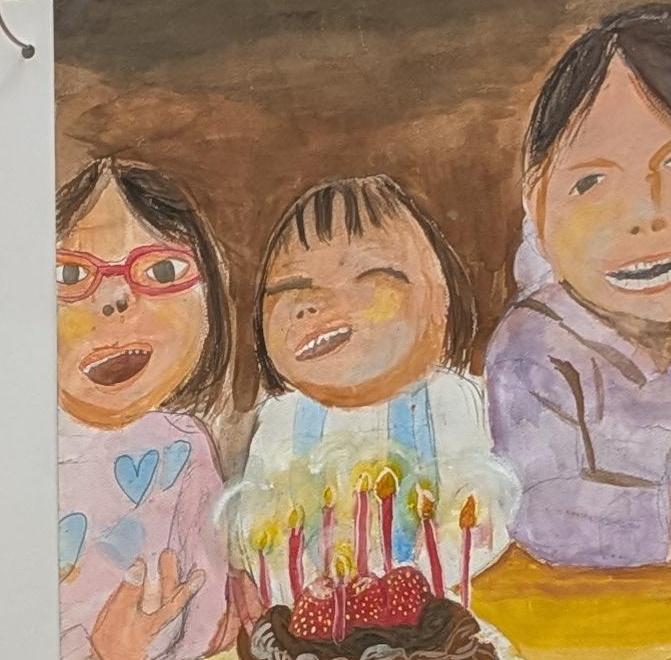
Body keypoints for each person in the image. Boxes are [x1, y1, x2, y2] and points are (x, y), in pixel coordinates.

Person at [487, 4, 671, 570]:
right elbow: (535, 505)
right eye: (591, 181)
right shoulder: (535, 344)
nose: (644, 214)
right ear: (537, 203)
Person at [219, 170, 517, 603]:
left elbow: (485, 523)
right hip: (313, 622)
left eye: (369, 277)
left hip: (436, 616)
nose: (311, 305)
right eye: (289, 288)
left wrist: (401, 596)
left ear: (440, 299)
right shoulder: (280, 418)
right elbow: (259, 536)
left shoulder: (455, 401)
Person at [54, 158, 233, 660]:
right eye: (70, 274)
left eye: (161, 272)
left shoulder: (187, 446)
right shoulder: (16, 456)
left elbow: (208, 620)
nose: (115, 299)